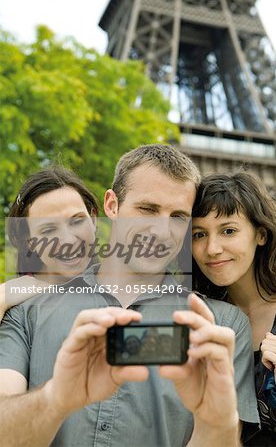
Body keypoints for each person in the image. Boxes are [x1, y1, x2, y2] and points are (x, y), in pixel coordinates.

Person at [0, 145, 259, 446]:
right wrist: (55, 399)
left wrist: (215, 424)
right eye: (147, 209)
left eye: (178, 216)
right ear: (112, 205)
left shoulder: (222, 326)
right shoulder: (28, 311)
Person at [192, 171, 276, 446]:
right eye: (199, 234)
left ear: (261, 234)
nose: (212, 248)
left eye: (228, 230)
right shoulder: (198, 315)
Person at [0, 167, 99, 321]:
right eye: (48, 230)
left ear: (93, 220)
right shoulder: (15, 307)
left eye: (77, 221)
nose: (68, 241)